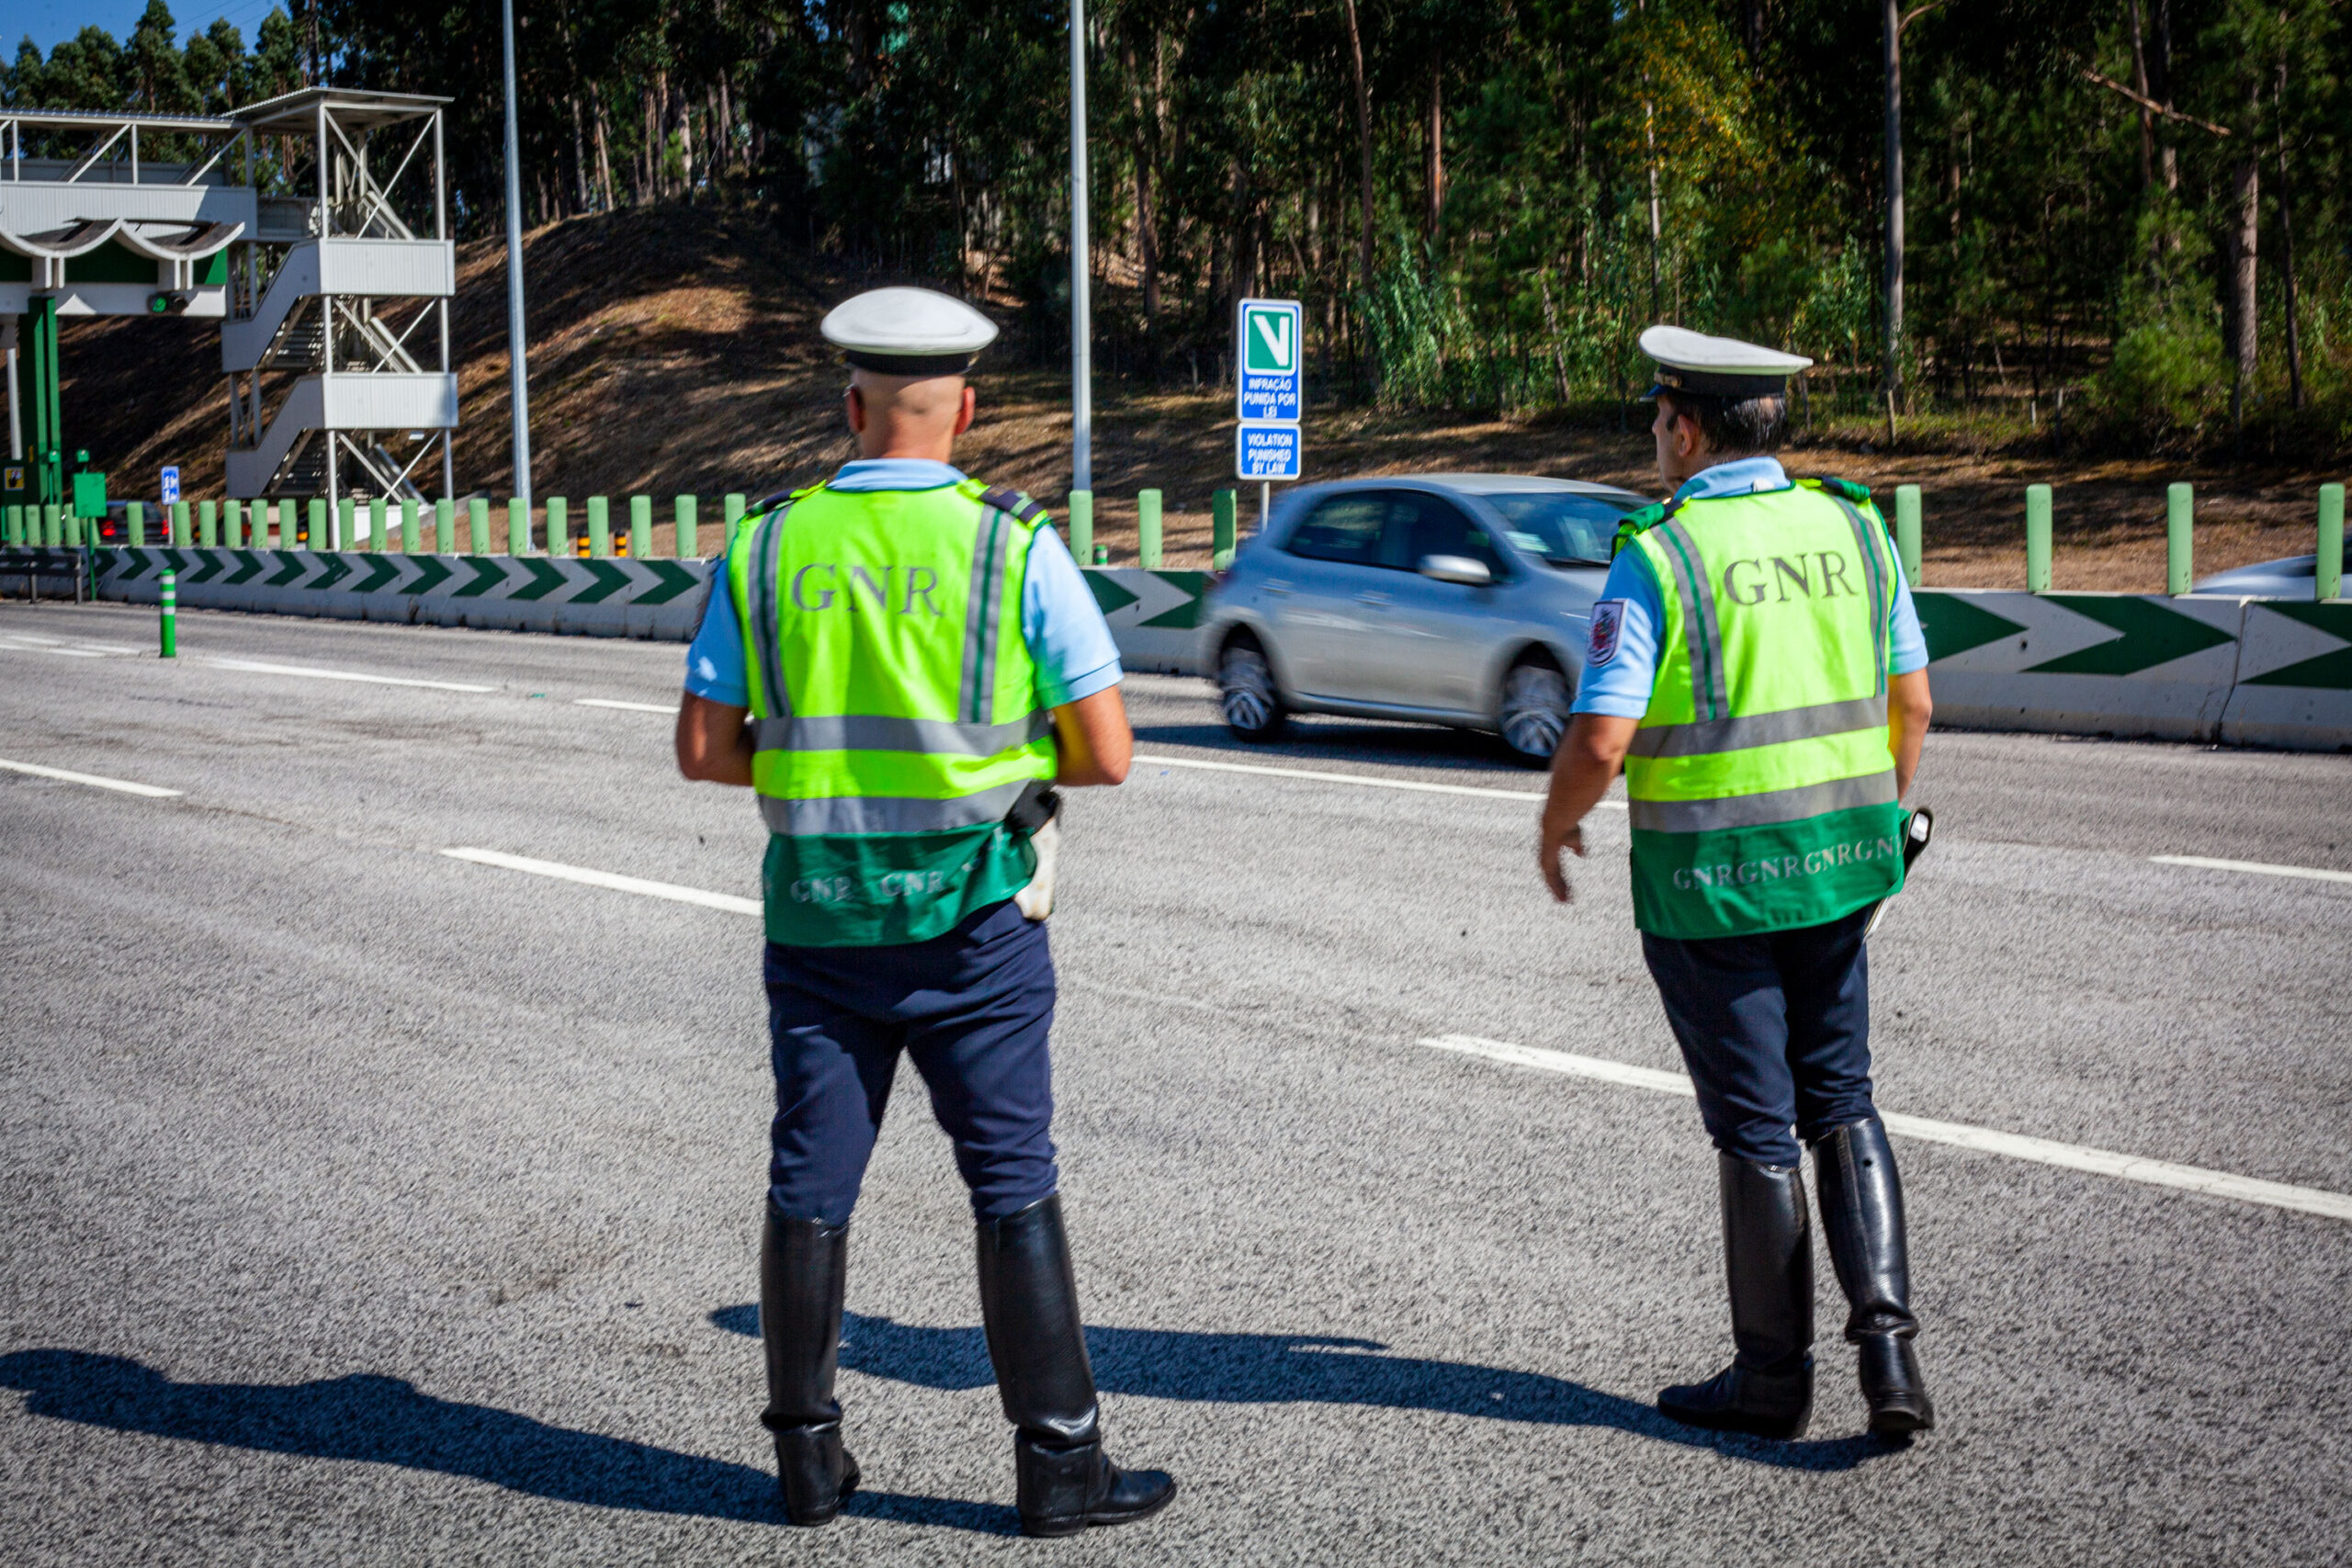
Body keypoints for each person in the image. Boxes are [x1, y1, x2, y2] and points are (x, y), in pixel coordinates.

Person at [673, 286, 1177, 1535]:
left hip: (820, 919)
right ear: (968, 410)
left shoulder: (767, 545)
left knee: (810, 1179)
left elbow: (704, 748)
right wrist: (998, 770)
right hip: (975, 926)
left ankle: (807, 1466)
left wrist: (823, 773)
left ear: (851, 407)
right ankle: (1060, 1464)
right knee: (1010, 1178)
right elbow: (1109, 753)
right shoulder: (1014, 548)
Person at [1537, 325, 1939, 1441]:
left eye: (1657, 417)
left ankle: (1771, 1383)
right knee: (1842, 1099)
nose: (1654, 435)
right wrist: (1867, 820)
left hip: (1711, 886)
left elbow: (1602, 739)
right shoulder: (1855, 528)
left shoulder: (1659, 554)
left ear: (1685, 427)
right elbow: (1911, 704)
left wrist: (1552, 827)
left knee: (1759, 1128)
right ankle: (1891, 1360)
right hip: (1842, 871)